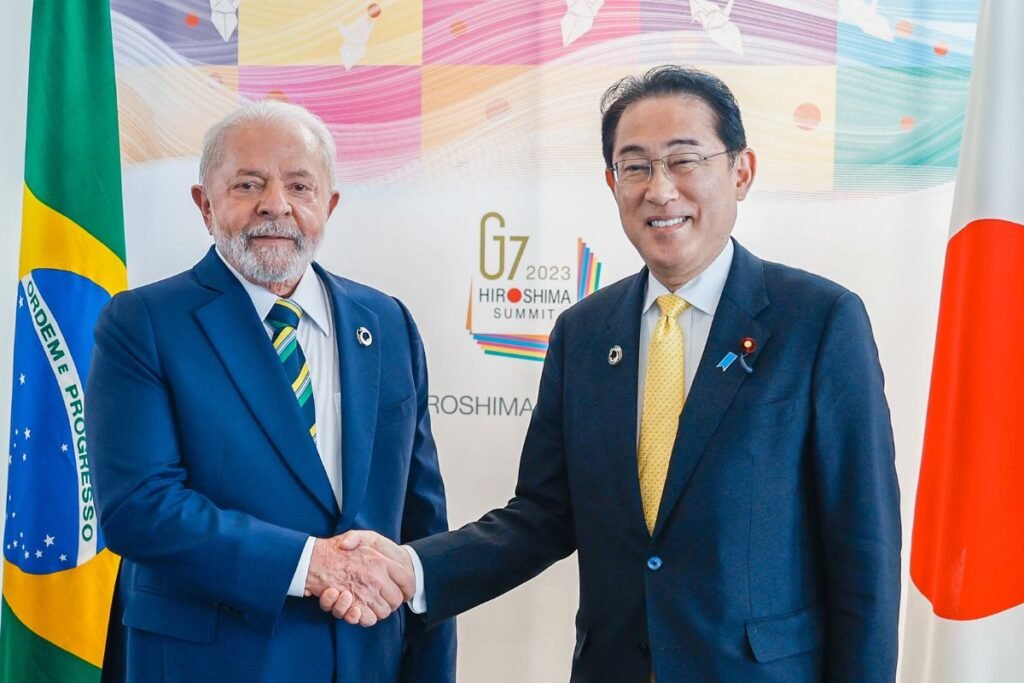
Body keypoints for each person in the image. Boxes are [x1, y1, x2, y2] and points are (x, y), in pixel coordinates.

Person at [337, 66, 901, 681]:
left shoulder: (818, 321)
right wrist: (412, 571)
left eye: (684, 160)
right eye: (635, 166)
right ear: (612, 183)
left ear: (741, 171)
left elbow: (862, 547)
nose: (660, 190)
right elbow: (543, 515)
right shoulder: (584, 333)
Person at [86, 101, 455, 682]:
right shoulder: (144, 323)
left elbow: (421, 522)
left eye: (300, 186)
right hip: (209, 664)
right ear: (205, 205)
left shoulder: (387, 323)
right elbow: (138, 508)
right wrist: (313, 564)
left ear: (329, 205)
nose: (276, 204)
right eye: (248, 184)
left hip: (368, 660)